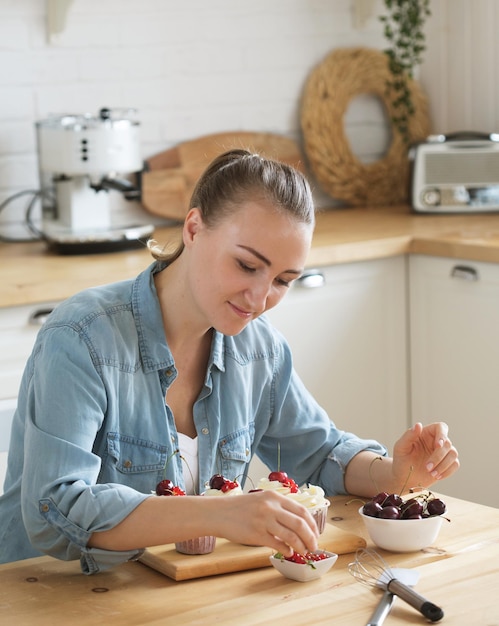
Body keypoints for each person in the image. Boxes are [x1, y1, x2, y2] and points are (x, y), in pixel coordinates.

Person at [0, 149, 459, 573]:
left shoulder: (260, 350)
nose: (260, 298)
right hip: (50, 597)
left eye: (283, 279)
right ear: (194, 228)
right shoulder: (82, 337)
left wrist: (394, 475)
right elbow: (55, 510)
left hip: (178, 600)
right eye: (246, 265)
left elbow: (318, 455)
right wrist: (221, 514)